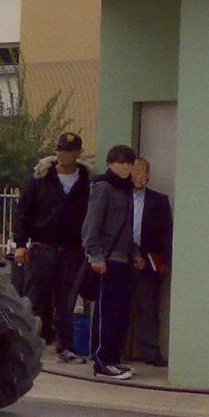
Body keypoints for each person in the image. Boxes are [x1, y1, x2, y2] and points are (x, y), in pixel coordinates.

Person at [12, 131, 91, 363]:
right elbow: (22, 212)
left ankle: (65, 348)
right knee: (35, 300)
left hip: (72, 249)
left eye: (69, 151)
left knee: (66, 302)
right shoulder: (39, 179)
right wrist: (20, 244)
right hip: (42, 248)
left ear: (78, 153)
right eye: (60, 150)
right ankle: (28, 348)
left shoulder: (86, 182)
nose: (63, 154)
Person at [82, 144, 138, 379]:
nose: (125, 167)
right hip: (107, 259)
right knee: (106, 312)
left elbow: (127, 229)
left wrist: (134, 252)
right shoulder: (103, 187)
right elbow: (91, 225)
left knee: (119, 312)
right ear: (110, 163)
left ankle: (114, 358)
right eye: (120, 162)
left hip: (123, 259)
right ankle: (102, 361)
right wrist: (95, 256)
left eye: (129, 163)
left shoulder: (126, 190)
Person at [128, 157, 173, 366]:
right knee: (117, 306)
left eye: (143, 171)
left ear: (148, 175)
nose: (139, 175)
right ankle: (112, 351)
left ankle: (151, 352)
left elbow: (167, 233)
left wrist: (166, 261)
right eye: (135, 170)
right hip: (121, 256)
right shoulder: (118, 196)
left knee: (148, 307)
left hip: (149, 260)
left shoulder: (159, 201)